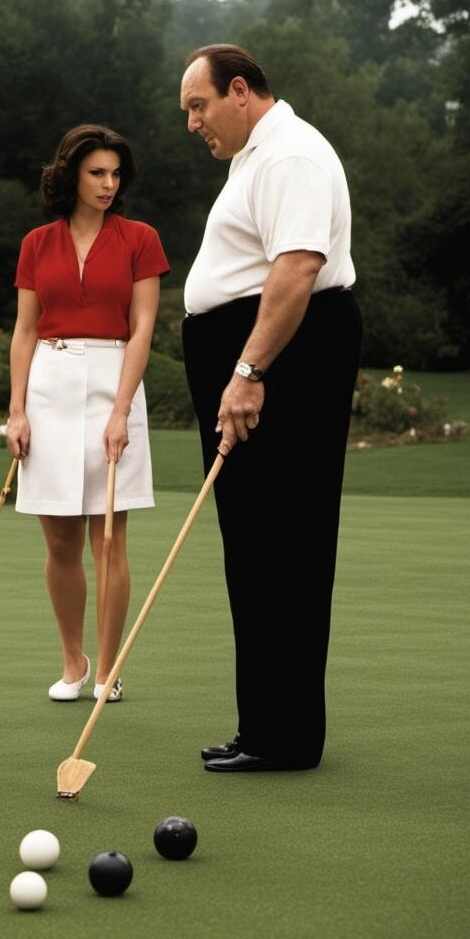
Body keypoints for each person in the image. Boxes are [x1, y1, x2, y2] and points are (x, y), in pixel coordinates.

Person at [178, 44, 362, 771]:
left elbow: (298, 267)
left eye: (199, 105)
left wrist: (249, 369)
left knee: (284, 544)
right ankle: (265, 726)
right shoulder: (256, 156)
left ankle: (283, 737)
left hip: (286, 358)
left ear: (242, 91)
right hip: (264, 353)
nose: (193, 123)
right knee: (255, 547)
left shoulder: (291, 156)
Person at [6, 125, 170, 702]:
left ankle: (107, 669)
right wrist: (16, 411)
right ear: (72, 174)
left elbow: (143, 327)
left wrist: (122, 410)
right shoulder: (36, 244)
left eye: (115, 174)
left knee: (110, 539)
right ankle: (72, 661)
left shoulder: (140, 238)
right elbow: (24, 331)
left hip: (113, 380)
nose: (108, 183)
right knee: (59, 540)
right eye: (97, 172)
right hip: (48, 386)